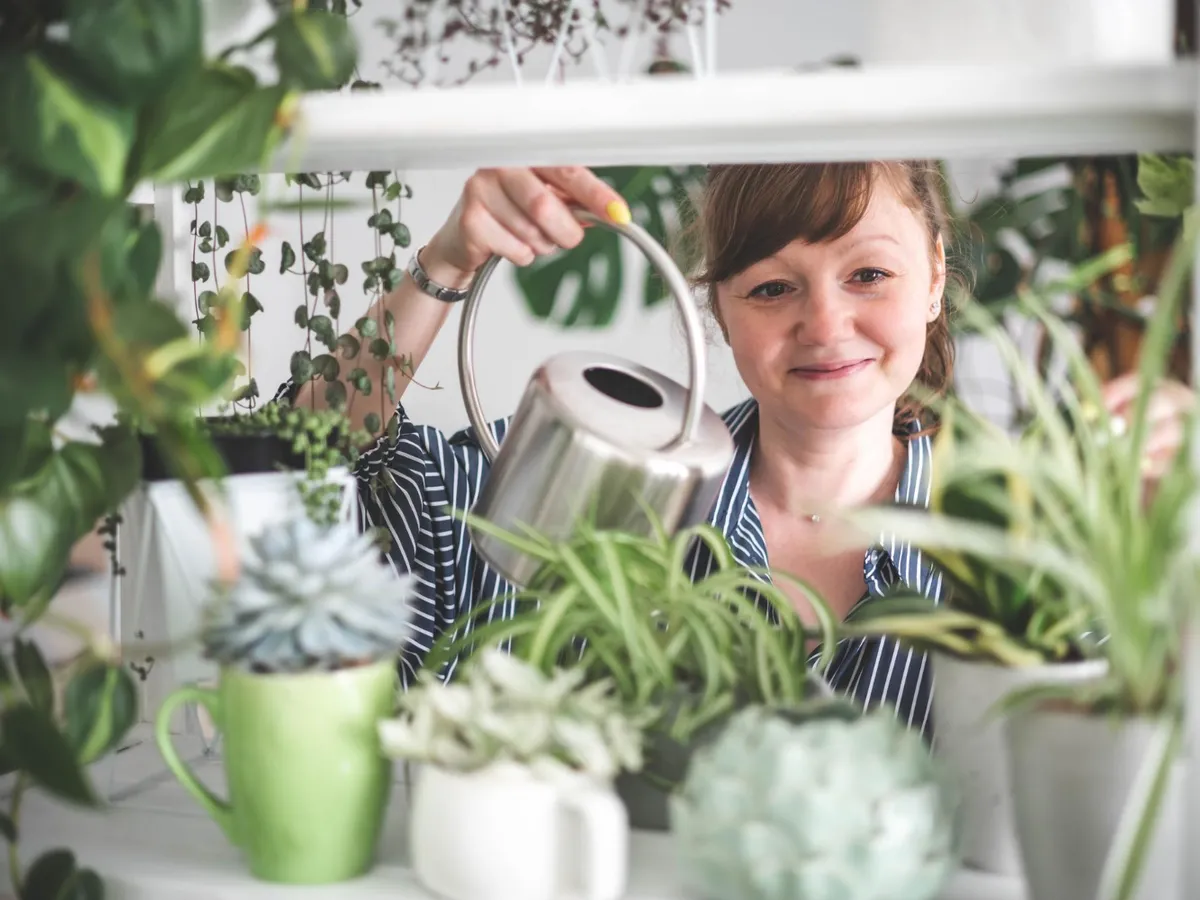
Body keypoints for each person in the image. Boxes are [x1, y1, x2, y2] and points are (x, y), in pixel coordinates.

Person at [286, 161, 1191, 738]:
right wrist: (446, 258)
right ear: (717, 308)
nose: (825, 325)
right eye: (771, 287)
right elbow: (311, 465)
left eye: (868, 273)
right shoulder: (588, 495)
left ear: (937, 277)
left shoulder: (1025, 542)